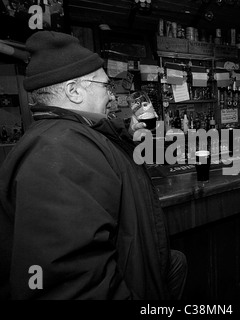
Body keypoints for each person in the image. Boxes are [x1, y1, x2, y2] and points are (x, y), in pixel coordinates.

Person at [0, 31, 187, 300]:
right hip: (126, 281)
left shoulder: (66, 134)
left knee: (176, 263)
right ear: (74, 91)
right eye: (105, 86)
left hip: (135, 265)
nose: (112, 96)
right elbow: (72, 287)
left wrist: (127, 134)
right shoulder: (57, 152)